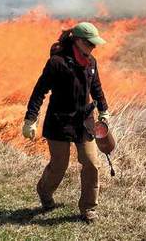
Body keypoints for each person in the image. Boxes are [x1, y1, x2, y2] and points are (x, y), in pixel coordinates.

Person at [22, 21, 111, 223]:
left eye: (94, 44)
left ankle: (88, 208)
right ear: (78, 41)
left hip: (84, 122)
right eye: (90, 43)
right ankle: (45, 192)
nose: (93, 47)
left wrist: (104, 111)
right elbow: (39, 91)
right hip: (59, 121)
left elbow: (96, 89)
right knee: (59, 165)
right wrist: (30, 119)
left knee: (91, 164)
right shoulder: (57, 62)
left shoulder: (92, 62)